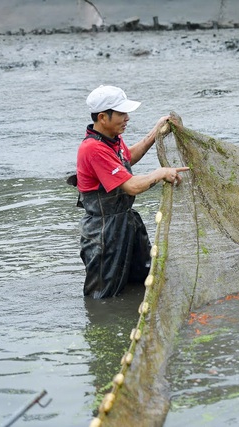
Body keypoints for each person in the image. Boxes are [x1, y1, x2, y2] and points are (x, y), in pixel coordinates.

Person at [75, 85, 189, 298]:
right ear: (102, 117)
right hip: (104, 232)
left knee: (143, 280)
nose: (127, 118)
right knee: (102, 296)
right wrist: (160, 173)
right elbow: (132, 186)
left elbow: (127, 158)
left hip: (127, 224)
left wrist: (155, 132)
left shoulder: (111, 140)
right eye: (121, 113)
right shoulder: (92, 149)